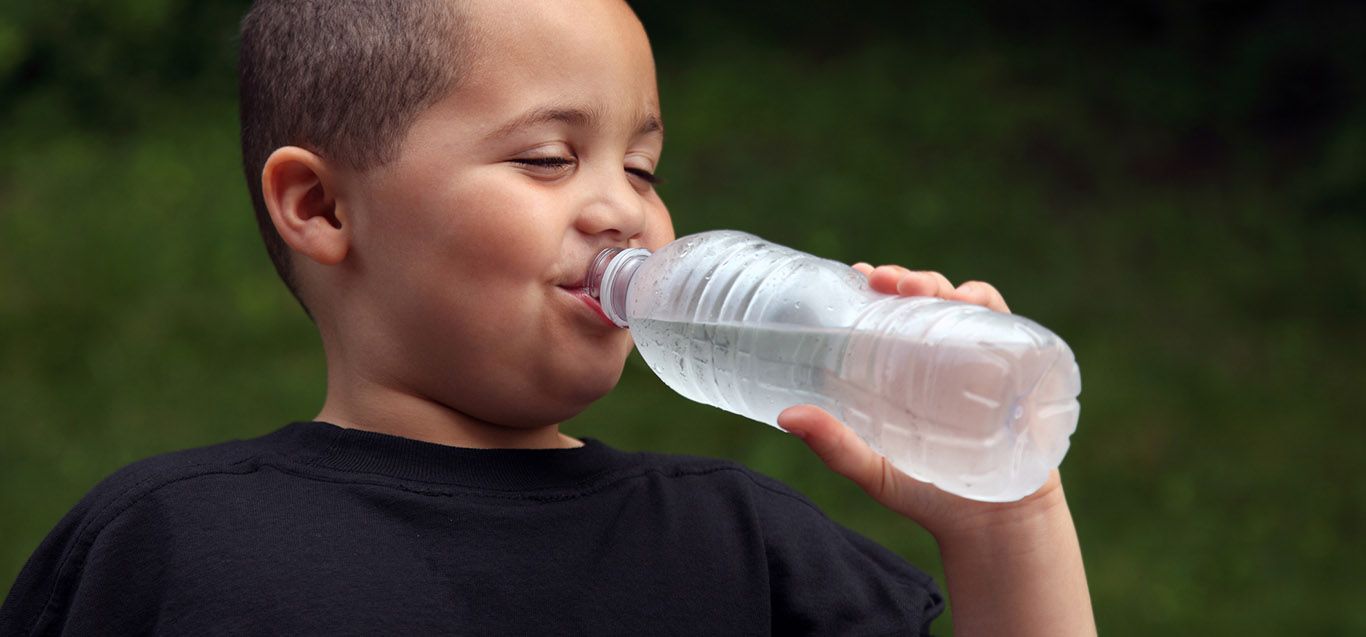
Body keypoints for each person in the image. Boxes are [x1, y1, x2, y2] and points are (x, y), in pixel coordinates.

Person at [1, 1, 1095, 634]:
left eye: (644, 165)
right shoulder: (174, 542)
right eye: (547, 158)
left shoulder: (744, 546)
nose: (623, 207)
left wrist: (1006, 525)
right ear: (322, 206)